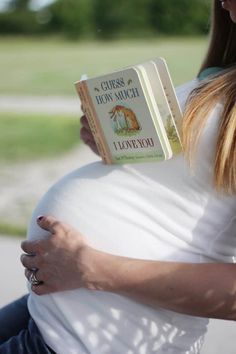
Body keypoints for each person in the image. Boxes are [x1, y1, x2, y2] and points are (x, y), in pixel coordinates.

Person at [1, 0, 236, 353]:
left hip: (99, 334)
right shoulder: (223, 72)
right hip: (62, 310)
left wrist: (92, 268)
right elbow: (192, 182)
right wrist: (119, 145)